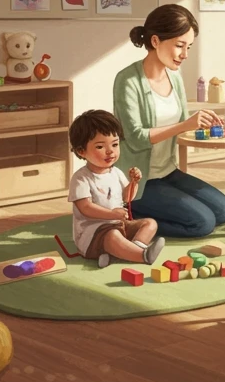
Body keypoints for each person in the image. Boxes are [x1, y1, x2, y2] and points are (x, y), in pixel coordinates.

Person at [113, 4, 225, 238]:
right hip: (139, 180)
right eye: (179, 45)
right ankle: (130, 219)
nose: (184, 54)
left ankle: (148, 213)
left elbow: (180, 128)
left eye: (188, 47)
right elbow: (137, 139)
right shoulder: (127, 80)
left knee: (224, 210)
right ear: (156, 41)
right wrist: (187, 124)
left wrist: (209, 130)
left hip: (168, 172)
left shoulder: (175, 78)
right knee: (203, 223)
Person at [67, 109, 164, 268]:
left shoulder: (116, 172)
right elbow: (85, 208)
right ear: (81, 151)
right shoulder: (81, 178)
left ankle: (132, 248)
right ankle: (142, 255)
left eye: (115, 144)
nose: (110, 151)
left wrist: (134, 182)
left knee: (150, 223)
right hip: (93, 231)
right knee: (112, 236)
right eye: (100, 147)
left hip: (119, 224)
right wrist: (111, 214)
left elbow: (127, 198)